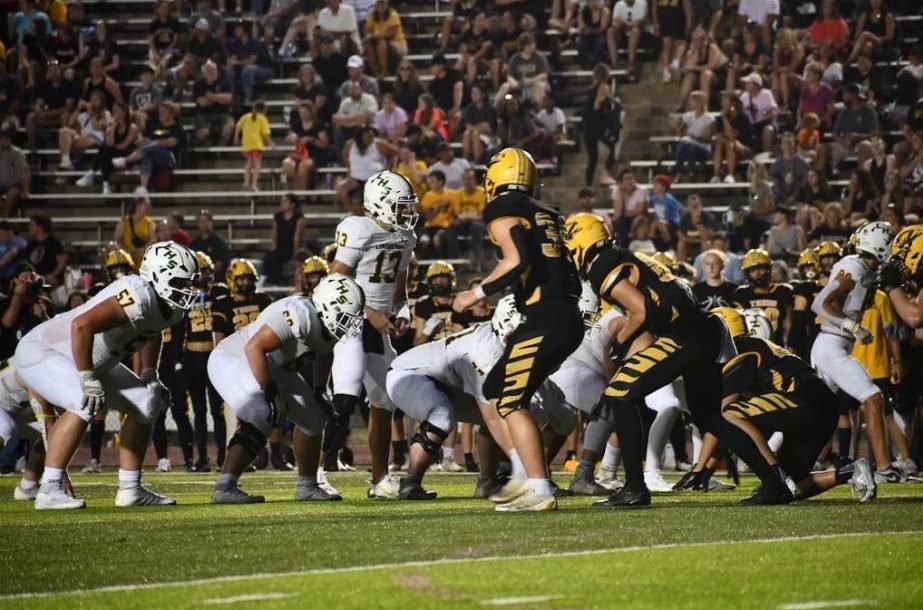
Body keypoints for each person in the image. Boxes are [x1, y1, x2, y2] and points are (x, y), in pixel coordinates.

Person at [563, 213, 773, 507]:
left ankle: (635, 487)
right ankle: (774, 482)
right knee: (710, 417)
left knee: (619, 395)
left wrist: (618, 347)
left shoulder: (603, 265)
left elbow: (642, 310)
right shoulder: (628, 257)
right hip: (705, 329)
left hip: (684, 334)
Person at [16, 241, 199, 509]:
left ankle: (130, 489)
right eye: (181, 282)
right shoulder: (138, 292)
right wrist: (87, 377)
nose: (186, 289)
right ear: (158, 275)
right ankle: (49, 489)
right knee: (83, 399)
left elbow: (152, 331)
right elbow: (82, 325)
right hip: (45, 350)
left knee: (147, 404)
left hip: (90, 359)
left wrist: (149, 373)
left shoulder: (168, 307)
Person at [451, 148, 583, 512]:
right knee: (494, 388)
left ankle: (536, 486)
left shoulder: (503, 209)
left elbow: (516, 260)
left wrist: (474, 293)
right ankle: (524, 477)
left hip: (548, 315)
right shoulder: (549, 212)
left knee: (510, 399)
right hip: (565, 315)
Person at [209, 274, 364, 503]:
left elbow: (324, 352)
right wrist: (270, 391)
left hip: (275, 366)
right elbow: (255, 347)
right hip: (236, 357)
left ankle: (307, 486)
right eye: (344, 316)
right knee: (263, 413)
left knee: (314, 419)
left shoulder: (328, 324)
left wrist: (320, 387)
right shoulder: (300, 314)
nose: (348, 323)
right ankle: (225, 486)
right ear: (328, 306)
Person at [709, 307, 877, 504]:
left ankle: (777, 476)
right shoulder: (762, 346)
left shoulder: (741, 350)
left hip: (803, 401)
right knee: (786, 492)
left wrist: (706, 466)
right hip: (822, 405)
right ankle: (851, 471)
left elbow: (727, 416)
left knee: (729, 413)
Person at [329, 170, 418, 499]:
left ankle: (380, 479)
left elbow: (399, 285)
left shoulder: (405, 237)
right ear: (379, 204)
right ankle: (320, 473)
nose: (407, 213)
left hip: (379, 327)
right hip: (349, 323)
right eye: (400, 205)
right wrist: (371, 313)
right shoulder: (359, 229)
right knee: (345, 397)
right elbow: (332, 284)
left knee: (384, 400)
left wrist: (402, 311)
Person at [386, 295, 524, 499]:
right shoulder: (485, 351)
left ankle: (489, 481)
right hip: (409, 372)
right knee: (442, 414)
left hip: (443, 381)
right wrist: (521, 463)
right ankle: (411, 482)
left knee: (502, 412)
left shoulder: (493, 336)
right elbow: (492, 417)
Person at [812, 221, 902, 483]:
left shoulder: (866, 269)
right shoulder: (853, 266)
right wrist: (852, 325)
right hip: (831, 345)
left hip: (836, 345)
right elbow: (820, 303)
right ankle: (885, 469)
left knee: (812, 411)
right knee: (873, 398)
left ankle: (771, 456)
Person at [182, 252, 228, 472]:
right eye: (199, 272)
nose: (202, 276)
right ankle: (201, 457)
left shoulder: (219, 292)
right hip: (192, 357)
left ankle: (222, 455)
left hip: (214, 357)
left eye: (206, 271)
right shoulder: (185, 294)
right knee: (199, 411)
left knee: (217, 411)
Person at [732, 248, 794, 345]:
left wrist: (790, 344)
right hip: (751, 344)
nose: (758, 273)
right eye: (753, 270)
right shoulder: (741, 293)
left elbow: (789, 322)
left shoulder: (783, 291)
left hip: (778, 344)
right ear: (747, 273)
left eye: (761, 268)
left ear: (768, 269)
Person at [262, 194, 306, 285]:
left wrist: (296, 251)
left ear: (292, 205)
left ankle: (276, 281)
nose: (282, 204)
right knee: (269, 256)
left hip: (290, 246)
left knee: (276, 257)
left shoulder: (299, 218)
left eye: (285, 202)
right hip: (279, 246)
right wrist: (274, 245)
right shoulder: (278, 216)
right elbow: (274, 233)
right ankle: (268, 278)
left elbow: (297, 236)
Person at [192, 61, 234, 147]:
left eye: (214, 70)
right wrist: (219, 98)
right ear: (204, 73)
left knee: (229, 127)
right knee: (203, 133)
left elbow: (228, 99)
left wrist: (211, 97)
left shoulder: (224, 82)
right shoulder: (198, 85)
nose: (213, 73)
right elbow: (202, 103)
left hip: (223, 113)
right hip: (204, 115)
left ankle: (220, 149)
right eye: (210, 71)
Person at [234, 101, 273, 192]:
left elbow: (238, 126)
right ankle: (254, 184)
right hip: (256, 144)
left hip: (246, 144)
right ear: (264, 110)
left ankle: (246, 183)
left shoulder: (245, 116)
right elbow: (265, 133)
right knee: (257, 165)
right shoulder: (262, 118)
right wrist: (271, 143)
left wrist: (236, 137)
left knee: (248, 163)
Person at [418, 170, 458, 258]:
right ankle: (425, 267)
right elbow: (428, 217)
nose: (430, 183)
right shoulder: (428, 195)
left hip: (445, 227)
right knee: (424, 241)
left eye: (432, 181)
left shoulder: (452, 194)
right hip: (429, 227)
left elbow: (457, 213)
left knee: (438, 238)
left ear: (440, 182)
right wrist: (437, 207)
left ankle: (443, 263)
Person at [23, 215, 67, 289]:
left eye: (32, 225)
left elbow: (61, 262)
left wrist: (52, 275)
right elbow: (27, 262)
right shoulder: (31, 243)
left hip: (50, 278)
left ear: (39, 226)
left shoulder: (54, 243)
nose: (29, 227)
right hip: (34, 278)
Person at [607, 0, 647, 80]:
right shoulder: (618, 5)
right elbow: (615, 23)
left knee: (634, 31)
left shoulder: (642, 3)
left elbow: (640, 23)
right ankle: (615, 64)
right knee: (610, 31)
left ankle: (631, 65)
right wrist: (625, 24)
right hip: (622, 33)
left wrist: (624, 23)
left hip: (640, 35)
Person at [114, 196, 155, 268]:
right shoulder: (124, 221)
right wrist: (125, 253)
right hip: (126, 256)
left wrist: (142, 250)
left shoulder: (150, 222)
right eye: (146, 205)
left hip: (143, 256)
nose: (149, 207)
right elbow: (117, 240)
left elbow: (153, 240)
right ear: (137, 206)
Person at [0, 124, 30, 216]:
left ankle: (4, 219)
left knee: (12, 194)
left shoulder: (17, 153)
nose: (6, 140)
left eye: (8, 138)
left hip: (15, 185)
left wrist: (25, 190)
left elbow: (22, 172)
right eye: (3, 138)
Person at [190, 210, 230, 277]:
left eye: (207, 221)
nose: (205, 223)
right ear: (198, 224)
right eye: (202, 221)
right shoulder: (194, 244)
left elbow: (219, 267)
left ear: (212, 223)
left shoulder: (219, 243)